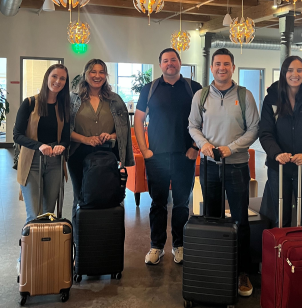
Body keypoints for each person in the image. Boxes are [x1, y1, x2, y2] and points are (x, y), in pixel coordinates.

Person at [188, 48, 259, 297]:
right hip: (209, 166)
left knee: (240, 220)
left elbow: (254, 130)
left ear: (233, 67)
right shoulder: (201, 95)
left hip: (237, 165)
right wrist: (203, 145)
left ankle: (242, 272)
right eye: (217, 64)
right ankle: (216, 267)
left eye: (226, 64)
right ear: (211, 68)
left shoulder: (245, 96)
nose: (221, 68)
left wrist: (231, 148)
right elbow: (192, 126)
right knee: (212, 217)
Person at [134, 48, 202, 266]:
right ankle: (156, 246)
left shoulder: (194, 88)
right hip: (157, 156)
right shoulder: (150, 88)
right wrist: (145, 151)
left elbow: (205, 120)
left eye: (173, 60)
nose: (170, 63)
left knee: (182, 203)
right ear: (160, 64)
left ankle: (179, 245)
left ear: (180, 63)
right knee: (158, 204)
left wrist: (195, 147)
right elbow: (138, 119)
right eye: (165, 60)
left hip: (185, 155)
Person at [259, 55, 302, 228]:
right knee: (280, 219)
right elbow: (266, 133)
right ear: (283, 73)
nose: (295, 74)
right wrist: (276, 154)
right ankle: (281, 254)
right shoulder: (271, 101)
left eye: (299, 70)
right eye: (290, 70)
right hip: (279, 169)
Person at [68, 59, 134, 222]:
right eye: (93, 72)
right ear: (85, 74)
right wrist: (85, 139)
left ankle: (105, 238)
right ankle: (80, 239)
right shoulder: (72, 99)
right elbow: (64, 130)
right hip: (78, 154)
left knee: (107, 197)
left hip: (108, 154)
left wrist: (111, 136)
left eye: (101, 72)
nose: (97, 76)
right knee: (81, 198)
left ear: (106, 75)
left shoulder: (115, 100)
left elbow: (124, 128)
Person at [14, 63, 71, 223]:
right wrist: (39, 145)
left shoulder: (63, 108)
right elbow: (17, 135)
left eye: (62, 79)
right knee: (34, 216)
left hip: (55, 163)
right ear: (47, 77)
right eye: (54, 76)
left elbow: (66, 138)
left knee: (48, 215)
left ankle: (46, 248)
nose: (58, 81)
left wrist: (62, 145)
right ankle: (29, 248)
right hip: (31, 162)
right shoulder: (30, 103)